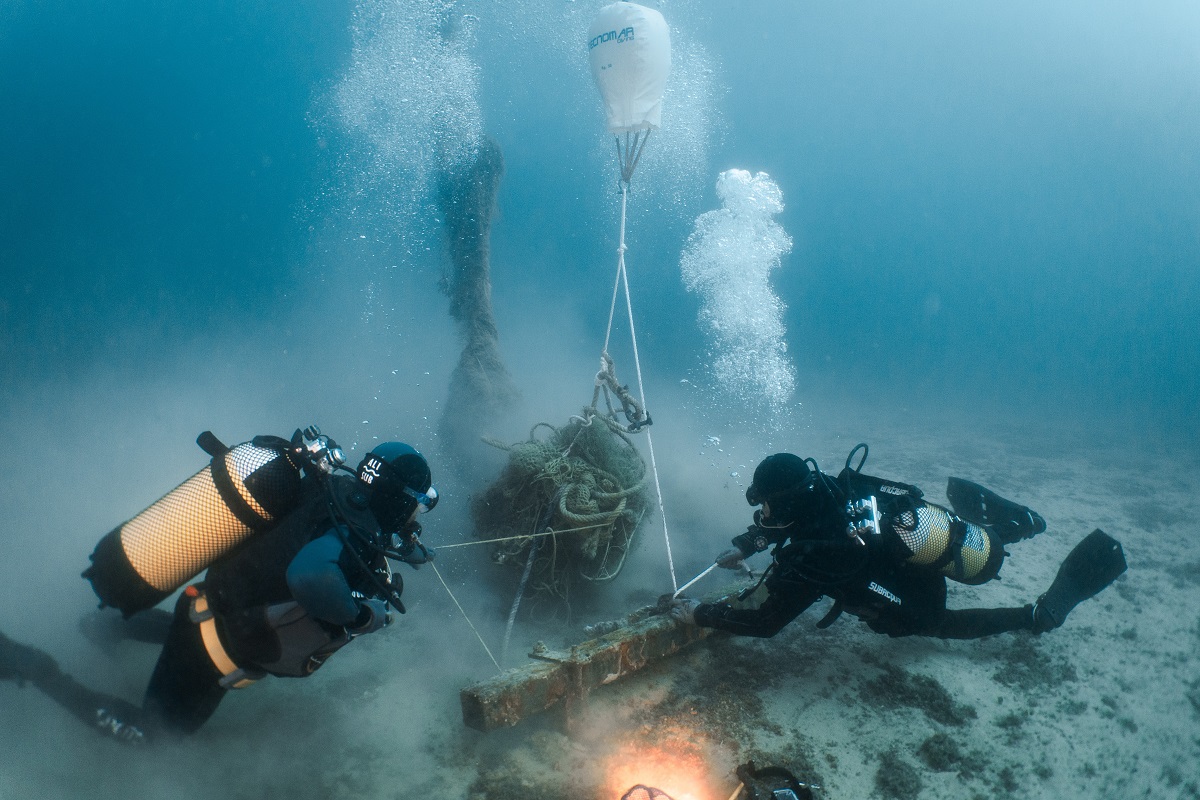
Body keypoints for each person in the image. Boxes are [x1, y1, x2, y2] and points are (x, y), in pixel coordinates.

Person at [0, 433, 438, 745]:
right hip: (213, 643)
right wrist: (361, 616)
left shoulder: (335, 495)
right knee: (154, 736)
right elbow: (312, 576)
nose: (416, 513)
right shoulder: (353, 531)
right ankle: (35, 668)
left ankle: (107, 629)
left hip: (211, 606)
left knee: (186, 632)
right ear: (397, 497)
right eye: (418, 502)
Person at [672, 445, 1126, 640]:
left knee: (936, 624)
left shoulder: (816, 557)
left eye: (767, 504)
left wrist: (699, 613)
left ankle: (1035, 617)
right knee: (964, 544)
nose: (763, 513)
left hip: (912, 583)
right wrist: (748, 543)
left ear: (788, 501)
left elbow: (766, 623)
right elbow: (786, 523)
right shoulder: (829, 488)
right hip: (913, 546)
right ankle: (1016, 525)